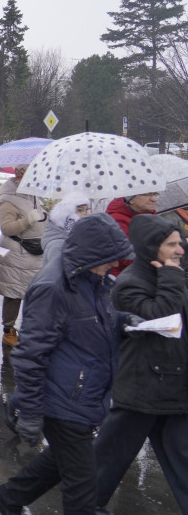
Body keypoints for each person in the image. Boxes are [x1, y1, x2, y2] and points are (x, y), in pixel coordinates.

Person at [0, 214, 137, 515]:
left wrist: (124, 321)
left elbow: (90, 322)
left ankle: (2, 502)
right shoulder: (53, 287)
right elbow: (30, 354)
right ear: (91, 253)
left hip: (83, 394)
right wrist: (29, 410)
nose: (113, 265)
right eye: (109, 258)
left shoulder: (96, 281)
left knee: (58, 461)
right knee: (82, 484)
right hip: (62, 400)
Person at [93, 214, 188, 513]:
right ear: (151, 247)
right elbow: (161, 319)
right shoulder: (129, 283)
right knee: (108, 458)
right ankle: (83, 505)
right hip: (143, 387)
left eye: (180, 243)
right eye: (172, 244)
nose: (181, 250)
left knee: (183, 456)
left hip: (174, 385)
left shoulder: (174, 273)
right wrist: (172, 279)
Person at [0, 165, 47, 348]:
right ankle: (8, 330)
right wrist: (28, 220)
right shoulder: (8, 200)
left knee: (32, 293)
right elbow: (6, 228)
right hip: (17, 254)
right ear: (20, 175)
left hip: (33, 254)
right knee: (14, 293)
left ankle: (29, 330)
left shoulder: (33, 196)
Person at [106, 191, 159, 275]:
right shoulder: (115, 221)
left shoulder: (150, 216)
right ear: (131, 199)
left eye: (155, 194)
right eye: (147, 194)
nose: (153, 199)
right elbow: (126, 257)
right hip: (130, 276)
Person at [41, 193, 91, 264]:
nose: (87, 214)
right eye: (80, 210)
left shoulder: (74, 236)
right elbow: (60, 272)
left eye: (87, 209)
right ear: (66, 214)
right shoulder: (58, 246)